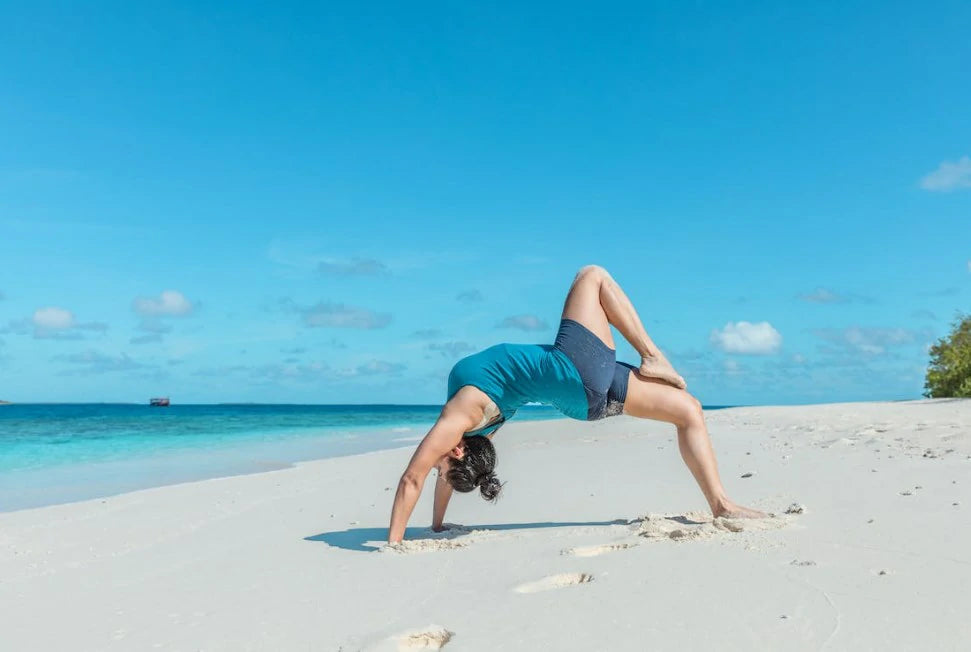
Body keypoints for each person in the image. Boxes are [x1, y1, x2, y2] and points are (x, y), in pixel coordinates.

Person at [388, 265, 765, 543]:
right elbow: (414, 478)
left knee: (689, 411)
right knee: (592, 277)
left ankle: (720, 504)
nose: (437, 464)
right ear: (456, 449)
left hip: (584, 404)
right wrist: (395, 542)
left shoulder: (471, 426)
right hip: (574, 370)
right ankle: (653, 355)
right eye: (444, 462)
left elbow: (434, 477)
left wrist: (434, 527)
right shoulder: (462, 414)